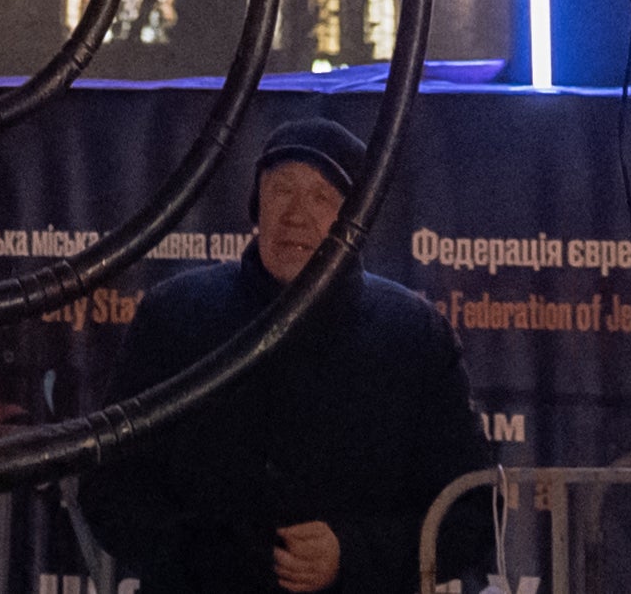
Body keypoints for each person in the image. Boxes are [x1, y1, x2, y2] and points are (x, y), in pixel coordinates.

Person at [86, 118, 495, 594]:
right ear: (255, 204)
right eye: (281, 190)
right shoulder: (174, 316)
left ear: (356, 217)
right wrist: (213, 559)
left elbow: (471, 511)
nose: (296, 215)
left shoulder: (415, 335)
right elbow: (110, 492)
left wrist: (351, 555)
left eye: (322, 197)